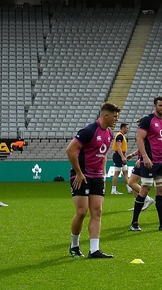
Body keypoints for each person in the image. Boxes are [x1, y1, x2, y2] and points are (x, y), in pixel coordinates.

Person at [66, 102, 120, 259]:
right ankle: (74, 246)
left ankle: (94, 250)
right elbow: (70, 149)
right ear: (106, 116)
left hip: (97, 177)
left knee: (97, 211)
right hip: (81, 176)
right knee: (82, 212)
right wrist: (79, 172)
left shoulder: (109, 134)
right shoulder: (89, 130)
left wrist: (103, 175)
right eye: (115, 116)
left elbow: (102, 155)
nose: (116, 119)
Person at [129, 96, 162, 232]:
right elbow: (139, 139)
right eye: (161, 105)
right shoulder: (147, 120)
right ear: (155, 106)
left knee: (161, 192)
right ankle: (134, 222)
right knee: (144, 189)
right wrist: (144, 157)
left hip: (161, 162)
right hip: (150, 162)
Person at [109, 123, 130, 195]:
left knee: (125, 171)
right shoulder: (120, 136)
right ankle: (113, 189)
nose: (128, 129)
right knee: (117, 173)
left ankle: (129, 188)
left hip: (121, 155)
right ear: (123, 128)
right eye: (127, 128)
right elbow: (118, 147)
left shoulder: (121, 135)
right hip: (118, 156)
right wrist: (122, 157)